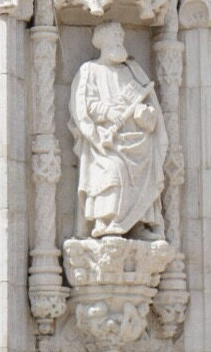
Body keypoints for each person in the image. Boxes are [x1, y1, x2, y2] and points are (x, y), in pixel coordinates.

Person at [69, 22, 168, 239]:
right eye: (115, 37)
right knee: (114, 169)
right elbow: (84, 106)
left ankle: (140, 224)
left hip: (136, 138)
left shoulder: (132, 71)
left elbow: (147, 104)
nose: (119, 41)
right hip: (107, 141)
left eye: (121, 37)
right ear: (102, 42)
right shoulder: (90, 70)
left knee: (148, 160)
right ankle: (106, 221)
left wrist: (144, 114)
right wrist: (108, 112)